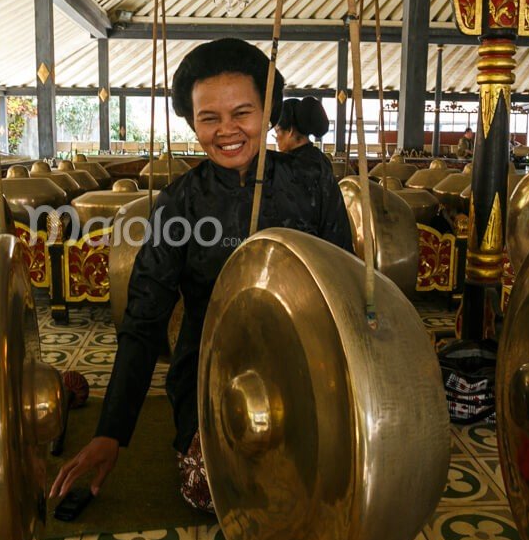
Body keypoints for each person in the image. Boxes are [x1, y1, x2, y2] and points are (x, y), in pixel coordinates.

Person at [49, 38, 353, 512]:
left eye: (243, 113)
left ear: (268, 112)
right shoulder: (179, 204)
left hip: (301, 365)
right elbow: (144, 320)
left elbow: (346, 289)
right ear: (192, 122)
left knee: (310, 491)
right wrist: (111, 431)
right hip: (210, 374)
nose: (227, 131)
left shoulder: (312, 184)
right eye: (209, 118)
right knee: (209, 491)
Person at [273, 96, 333, 178]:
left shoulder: (289, 165)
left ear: (290, 131)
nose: (276, 139)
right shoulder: (323, 159)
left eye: (277, 132)